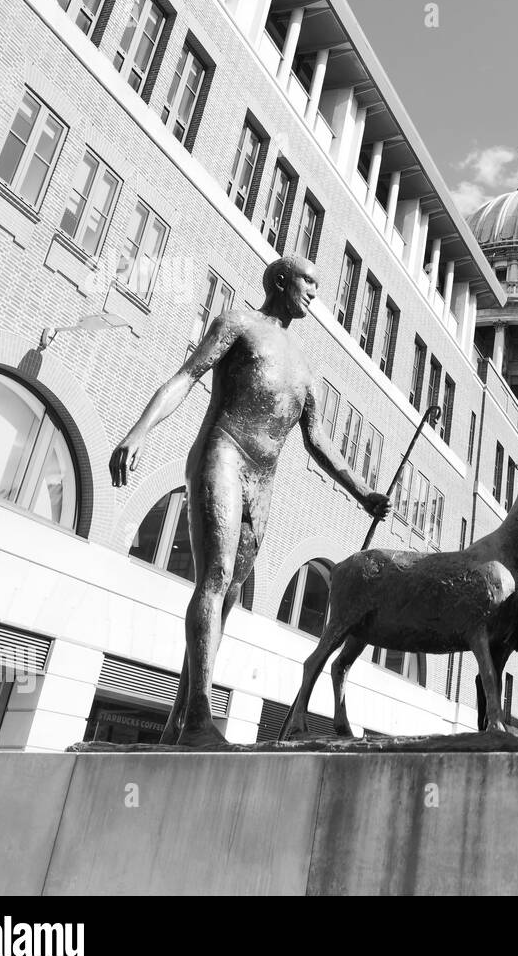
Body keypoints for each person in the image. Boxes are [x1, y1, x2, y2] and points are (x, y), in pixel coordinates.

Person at [109, 255, 390, 746]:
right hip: (224, 451)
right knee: (215, 577)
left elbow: (318, 442)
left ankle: (181, 719)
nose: (314, 293)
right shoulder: (238, 323)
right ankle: (200, 716)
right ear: (281, 280)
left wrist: (361, 491)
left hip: (264, 477)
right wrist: (138, 432)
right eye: (308, 281)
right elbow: (185, 377)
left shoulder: (304, 368)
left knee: (232, 593)